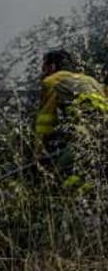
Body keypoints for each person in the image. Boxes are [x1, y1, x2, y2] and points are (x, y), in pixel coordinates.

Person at [34, 49, 108, 185]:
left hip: (89, 137)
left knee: (59, 175)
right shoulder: (90, 80)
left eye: (44, 68)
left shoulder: (52, 81)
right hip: (101, 133)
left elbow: (46, 119)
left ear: (52, 67)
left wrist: (39, 151)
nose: (42, 73)